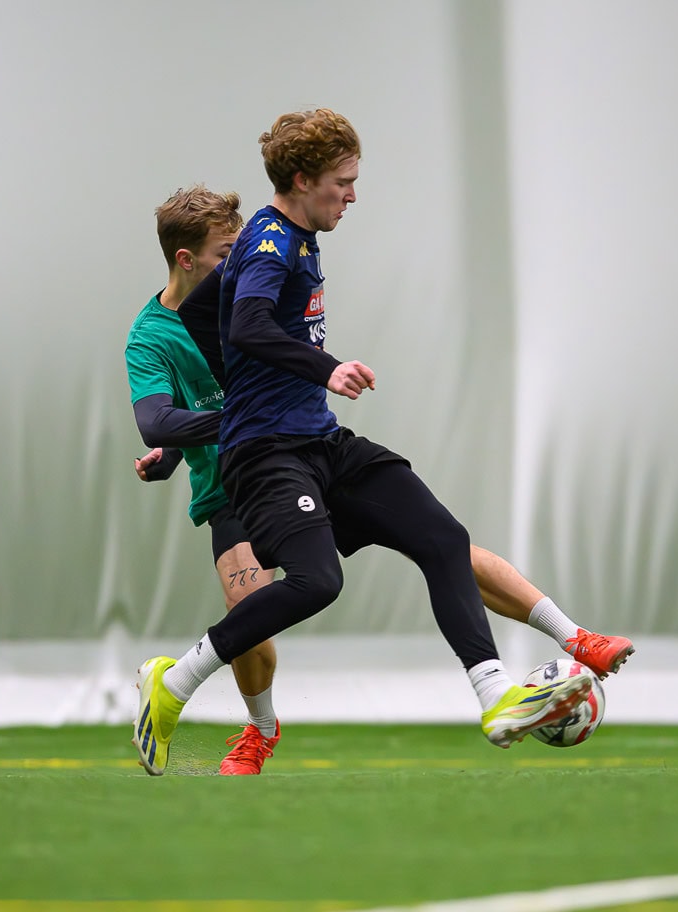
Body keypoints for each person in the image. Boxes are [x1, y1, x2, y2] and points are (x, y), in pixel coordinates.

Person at [132, 111, 627, 776]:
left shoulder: (292, 237)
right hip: (269, 454)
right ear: (302, 180)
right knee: (317, 582)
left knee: (442, 537)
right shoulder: (271, 242)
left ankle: (494, 696)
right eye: (343, 182)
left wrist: (251, 384)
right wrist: (322, 369)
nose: (353, 195)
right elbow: (246, 325)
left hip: (320, 440)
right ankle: (175, 684)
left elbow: (204, 312)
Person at [124, 186, 280, 776]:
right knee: (250, 615)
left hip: (300, 460)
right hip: (230, 488)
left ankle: (539, 650)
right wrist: (170, 453)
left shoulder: (248, 300)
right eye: (224, 254)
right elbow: (157, 420)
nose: (236, 264)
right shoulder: (150, 336)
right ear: (185, 259)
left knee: (432, 541)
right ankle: (261, 730)